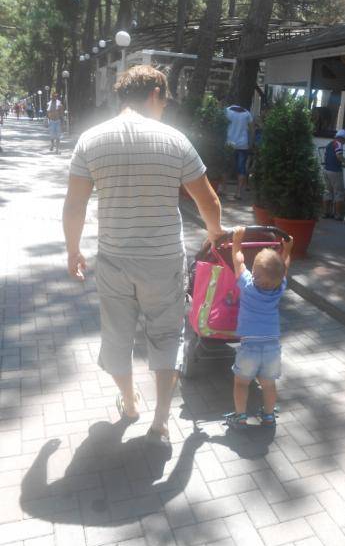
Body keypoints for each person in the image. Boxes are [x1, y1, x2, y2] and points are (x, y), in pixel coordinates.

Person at [62, 64, 225, 447]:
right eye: (165, 101)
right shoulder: (175, 140)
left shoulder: (90, 140)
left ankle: (130, 402)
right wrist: (215, 236)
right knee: (166, 336)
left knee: (117, 336)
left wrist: (73, 250)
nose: (164, 108)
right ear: (154, 94)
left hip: (114, 259)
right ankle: (161, 421)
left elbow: (74, 205)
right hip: (163, 261)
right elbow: (208, 201)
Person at [225, 226, 293, 429]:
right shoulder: (279, 288)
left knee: (241, 382)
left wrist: (237, 242)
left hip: (249, 347)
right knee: (268, 384)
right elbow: (284, 267)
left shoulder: (247, 285)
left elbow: (238, 260)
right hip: (272, 347)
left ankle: (240, 417)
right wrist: (287, 250)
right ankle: (269, 416)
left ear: (253, 273)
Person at [322, 128, 345, 220]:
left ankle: (326, 213)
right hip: (335, 171)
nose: (344, 143)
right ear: (343, 138)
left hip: (326, 170)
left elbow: (328, 157)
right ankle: (338, 215)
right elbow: (339, 156)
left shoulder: (329, 144)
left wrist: (339, 163)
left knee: (327, 192)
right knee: (339, 193)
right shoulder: (338, 144)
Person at [224, 104, 253, 200]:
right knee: (241, 168)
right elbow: (251, 129)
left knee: (226, 167)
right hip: (243, 145)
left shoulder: (227, 111)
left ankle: (223, 189)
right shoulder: (247, 114)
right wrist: (251, 143)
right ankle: (238, 192)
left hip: (229, 143)